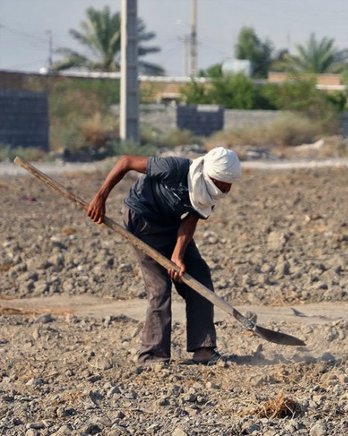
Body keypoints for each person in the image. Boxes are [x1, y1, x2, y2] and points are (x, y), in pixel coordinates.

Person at [87, 147, 241, 366]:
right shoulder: (174, 168)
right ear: (210, 175)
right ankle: (152, 356)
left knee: (199, 275)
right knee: (159, 287)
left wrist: (178, 256)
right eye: (223, 184)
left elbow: (191, 219)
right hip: (142, 219)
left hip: (172, 224)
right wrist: (100, 197)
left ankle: (203, 350)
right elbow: (126, 160)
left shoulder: (210, 192)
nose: (226, 189)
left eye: (229, 185)